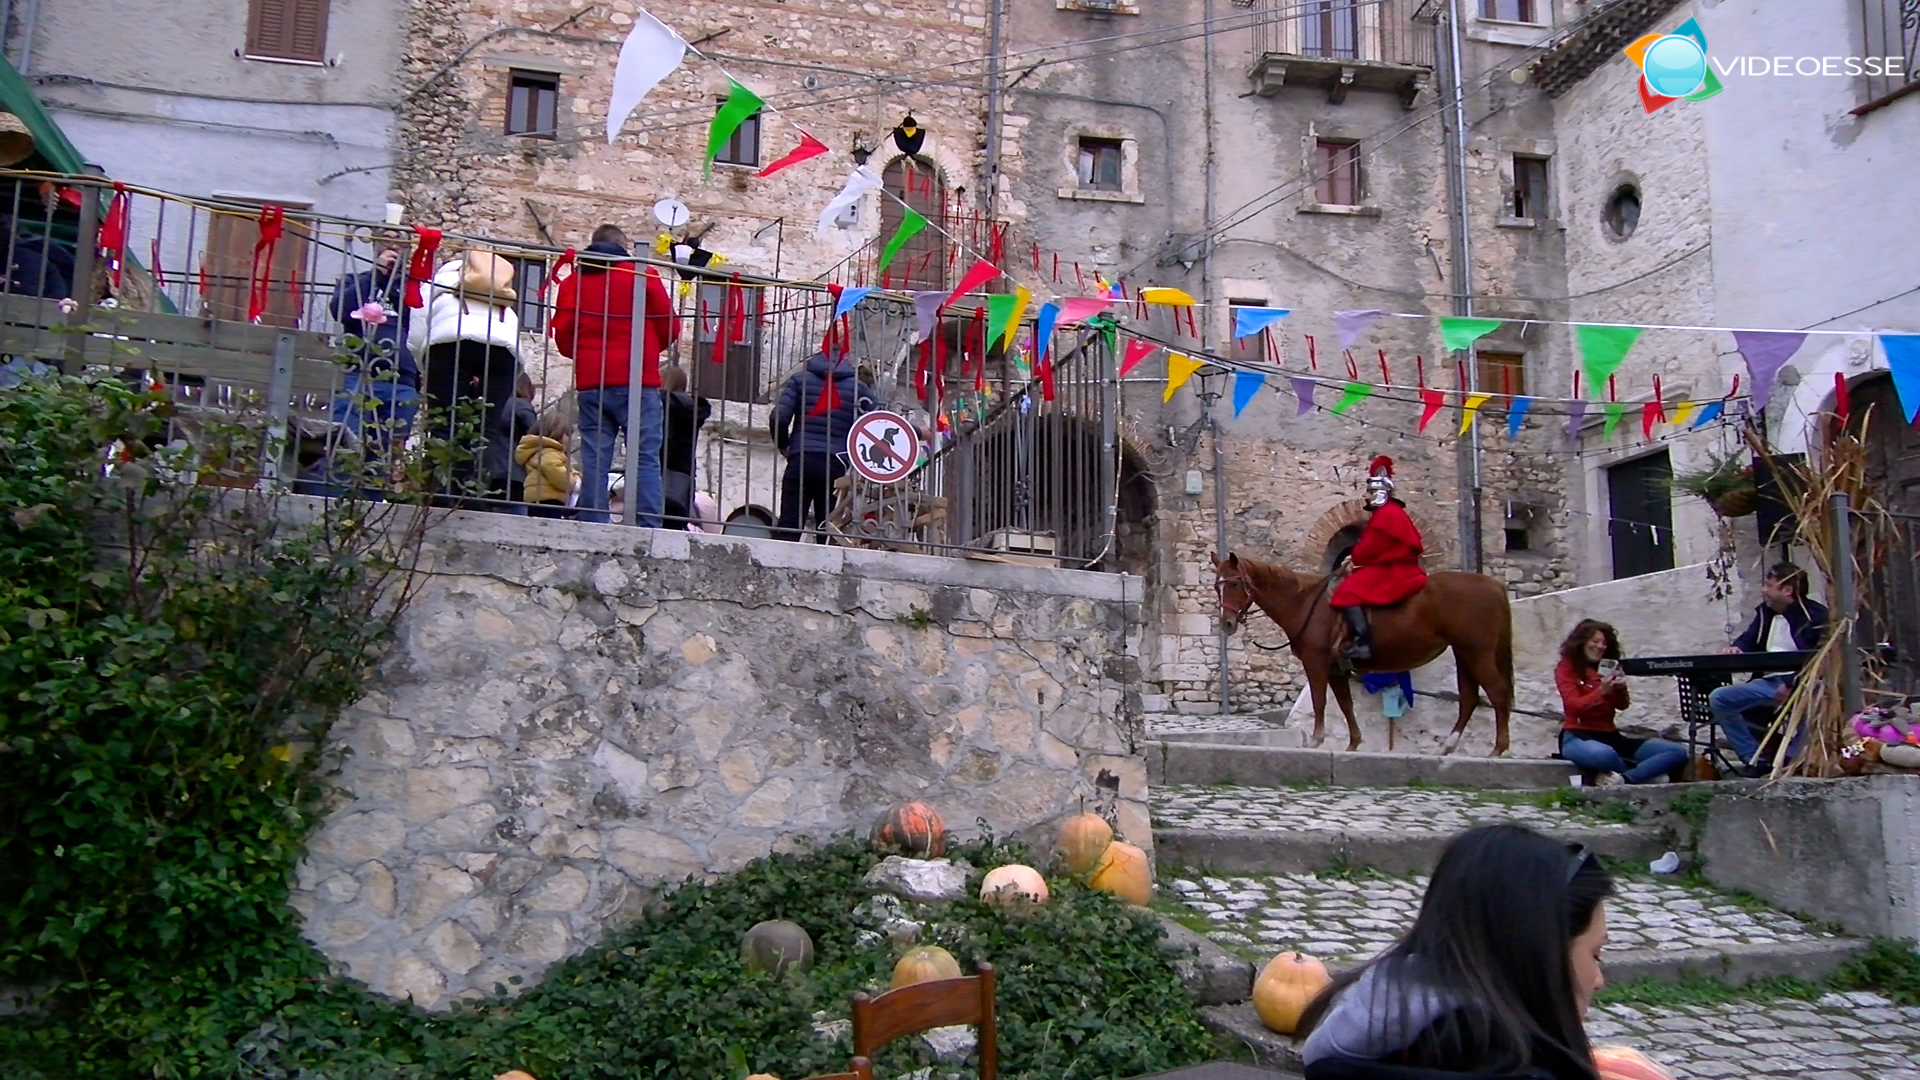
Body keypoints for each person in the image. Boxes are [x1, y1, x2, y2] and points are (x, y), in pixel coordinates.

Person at [1298, 824, 1613, 1080]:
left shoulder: (1362, 1037)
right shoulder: (1525, 1065)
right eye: (1595, 954)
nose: (1599, 981)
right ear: (1540, 956)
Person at [549, 224, 679, 527]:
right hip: (638, 378)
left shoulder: (574, 281)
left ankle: (593, 519)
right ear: (623, 246)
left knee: (594, 456)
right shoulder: (640, 273)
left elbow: (564, 336)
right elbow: (670, 326)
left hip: (592, 380)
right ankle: (647, 524)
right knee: (645, 456)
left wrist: (585, 354)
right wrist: (646, 350)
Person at [408, 249, 525, 511]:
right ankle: (471, 496)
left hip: (448, 344)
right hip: (502, 351)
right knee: (487, 429)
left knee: (443, 423)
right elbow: (514, 334)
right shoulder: (498, 288)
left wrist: (424, 364)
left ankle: (435, 494)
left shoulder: (438, 282)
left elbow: (417, 328)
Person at [317, 238, 419, 494]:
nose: (394, 251)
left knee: (384, 457)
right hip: (358, 375)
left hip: (402, 382)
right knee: (344, 446)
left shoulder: (412, 290)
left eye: (400, 246)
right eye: (388, 245)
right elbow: (341, 309)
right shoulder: (356, 280)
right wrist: (375, 275)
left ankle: (371, 509)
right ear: (376, 251)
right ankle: (330, 511)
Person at [1709, 562, 1830, 776]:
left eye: (1768, 585)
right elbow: (1749, 639)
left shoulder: (1816, 616)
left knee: (1817, 696)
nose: (1763, 590)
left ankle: (1794, 759)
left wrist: (1792, 684)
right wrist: (1736, 648)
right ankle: (1754, 759)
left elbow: (1819, 657)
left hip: (1800, 684)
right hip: (1766, 682)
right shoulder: (1765, 613)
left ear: (1787, 590)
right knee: (1720, 698)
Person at [1554, 620, 1686, 785]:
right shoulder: (1566, 668)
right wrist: (1600, 692)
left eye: (1604, 643)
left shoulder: (1607, 668)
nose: (1600, 646)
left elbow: (1622, 705)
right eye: (1595, 641)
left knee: (1676, 751)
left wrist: (1620, 689)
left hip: (1611, 736)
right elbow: (1574, 707)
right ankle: (1644, 777)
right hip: (1577, 735)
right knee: (1604, 755)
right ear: (1581, 642)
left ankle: (1626, 779)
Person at [1330, 456, 1428, 661]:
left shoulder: (1386, 514)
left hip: (1396, 570)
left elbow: (1371, 546)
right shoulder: (1389, 512)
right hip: (1390, 564)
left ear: (1380, 493)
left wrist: (1354, 557)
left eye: (1370, 492)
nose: (1366, 496)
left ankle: (1362, 643)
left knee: (1347, 592)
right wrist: (1355, 557)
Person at [770, 349, 874, 542]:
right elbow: (880, 422)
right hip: (836, 462)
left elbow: (779, 417)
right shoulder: (858, 388)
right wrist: (917, 433)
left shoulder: (799, 380)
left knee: (789, 524)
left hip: (802, 457)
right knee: (828, 527)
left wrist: (784, 445)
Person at [660, 363, 712, 527]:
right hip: (684, 473)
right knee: (675, 523)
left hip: (660, 468)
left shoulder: (661, 404)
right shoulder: (693, 408)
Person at [516, 392, 577, 520]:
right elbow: (556, 471)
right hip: (548, 499)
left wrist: (575, 474)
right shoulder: (549, 452)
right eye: (567, 435)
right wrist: (573, 482)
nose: (569, 440)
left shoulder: (542, 451)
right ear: (555, 433)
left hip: (539, 497)